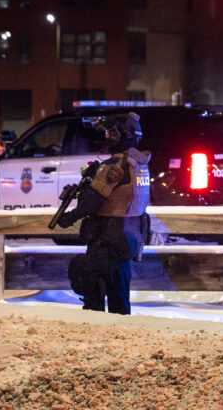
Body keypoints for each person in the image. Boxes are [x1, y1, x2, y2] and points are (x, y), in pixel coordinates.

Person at [57, 112, 151, 314]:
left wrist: (69, 218)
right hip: (131, 237)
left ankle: (95, 335)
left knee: (93, 291)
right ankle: (122, 337)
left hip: (108, 238)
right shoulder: (140, 164)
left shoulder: (113, 166)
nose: (107, 137)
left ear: (122, 135)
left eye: (112, 133)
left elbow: (91, 202)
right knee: (119, 295)